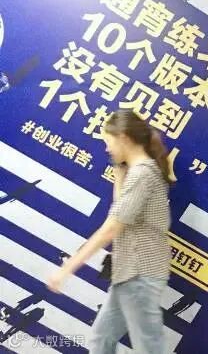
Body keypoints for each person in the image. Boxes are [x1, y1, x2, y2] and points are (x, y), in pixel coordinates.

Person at [46, 109, 173, 354]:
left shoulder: (143, 174)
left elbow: (111, 228)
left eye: (108, 141)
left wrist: (66, 269)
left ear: (123, 137)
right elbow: (122, 211)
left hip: (139, 274)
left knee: (148, 348)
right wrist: (119, 173)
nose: (106, 148)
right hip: (131, 273)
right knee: (101, 340)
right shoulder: (140, 173)